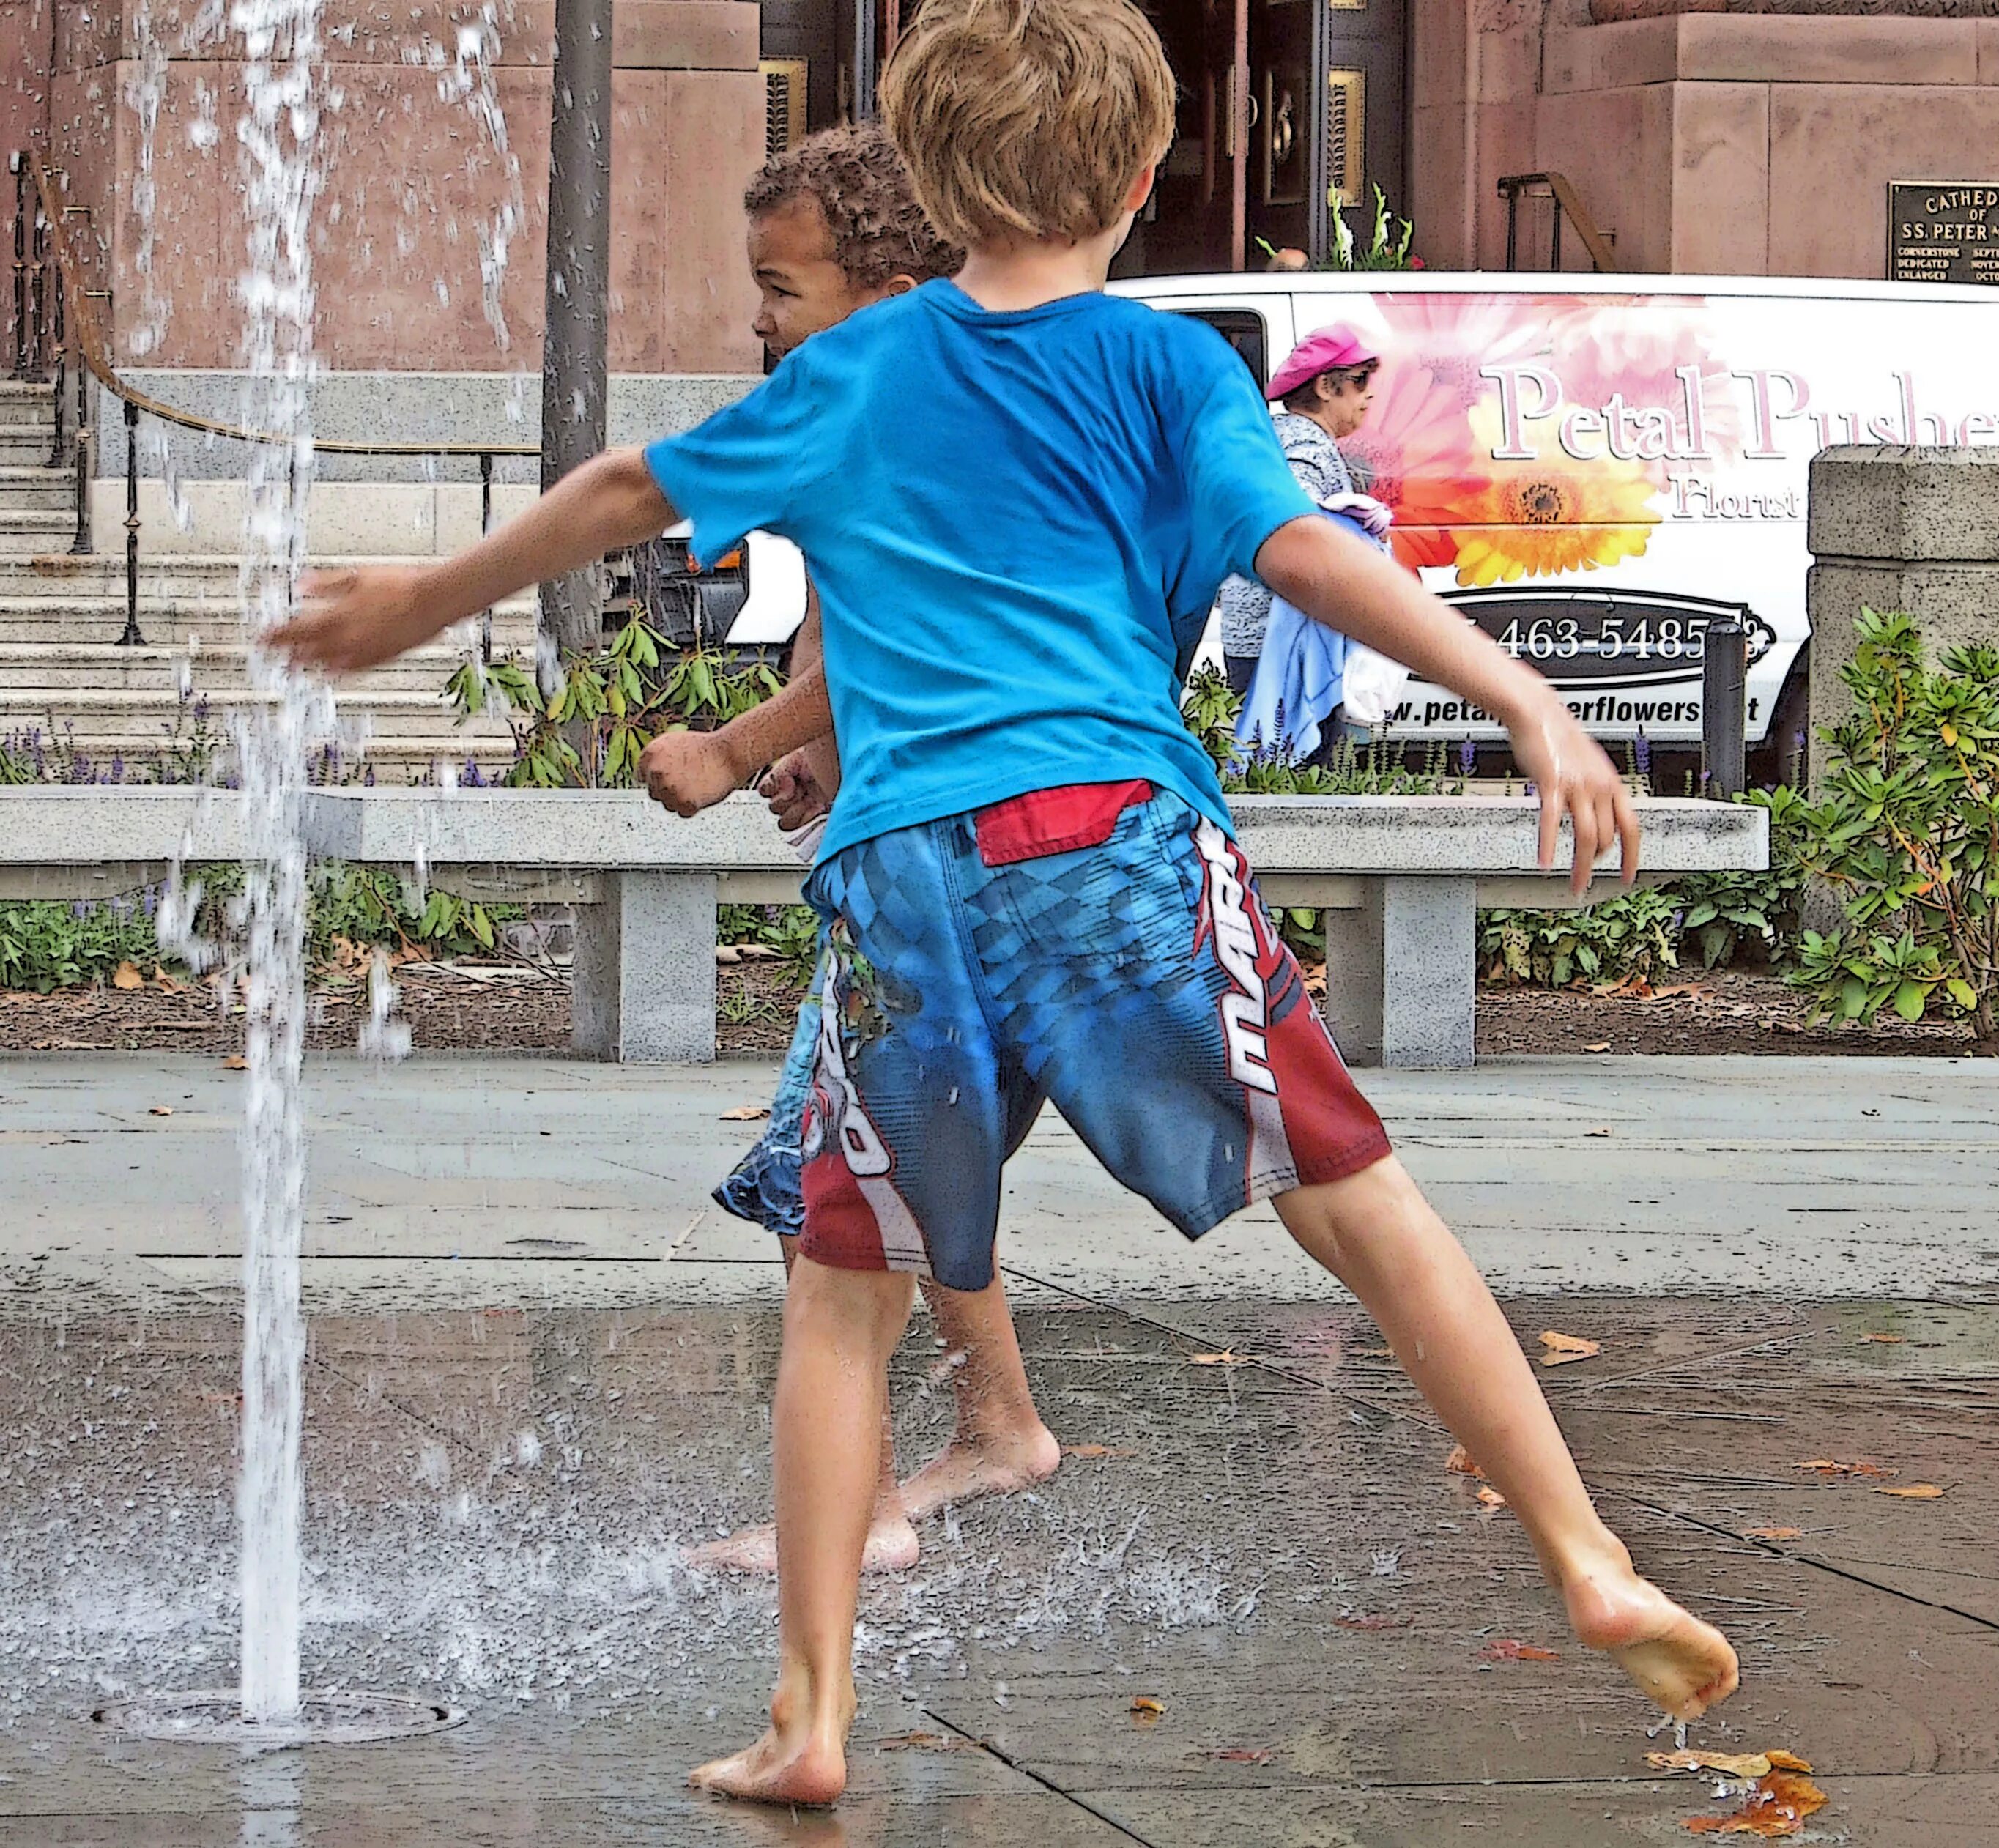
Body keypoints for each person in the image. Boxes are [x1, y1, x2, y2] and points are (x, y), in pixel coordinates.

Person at [270, 0, 1740, 1810]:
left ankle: (811, 1717)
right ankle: (1583, 1553)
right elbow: (1298, 548)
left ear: (933, 179)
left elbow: (628, 487)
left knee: (841, 1289)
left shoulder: (860, 371)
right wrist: (1519, 698)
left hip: (903, 882)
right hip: (1111, 847)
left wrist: (426, 596)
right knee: (1358, 1204)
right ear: (1140, 178)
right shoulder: (1167, 367)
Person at [697, 124, 1061, 1576]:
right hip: (941, 841)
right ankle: (996, 1421)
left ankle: (854, 1517)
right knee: (872, 1159)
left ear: (887, 276)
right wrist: (815, 754)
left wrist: (735, 747)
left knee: (846, 1171)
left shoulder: (914, 408)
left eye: (784, 284)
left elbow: (908, 636)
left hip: (960, 861)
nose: (760, 316)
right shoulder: (912, 400)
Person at [1217, 322, 1380, 709]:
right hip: (1282, 648)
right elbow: (1293, 535)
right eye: (1359, 380)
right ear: (1325, 388)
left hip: (1263, 642)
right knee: (1297, 766)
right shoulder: (1305, 446)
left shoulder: (1274, 436)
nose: (1368, 394)